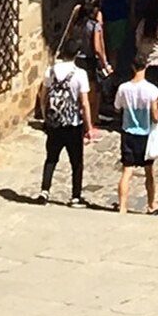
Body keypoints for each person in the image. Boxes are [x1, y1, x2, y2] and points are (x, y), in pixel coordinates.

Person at [33, 33, 95, 204]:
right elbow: (84, 103)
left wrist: (46, 117)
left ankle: (44, 191)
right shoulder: (80, 74)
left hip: (54, 123)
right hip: (73, 123)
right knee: (76, 162)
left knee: (51, 158)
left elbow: (43, 96)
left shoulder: (50, 71)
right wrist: (89, 127)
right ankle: (75, 196)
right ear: (77, 54)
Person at [113, 60, 158, 215]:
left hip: (128, 133)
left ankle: (122, 206)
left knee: (127, 171)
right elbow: (156, 118)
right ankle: (151, 204)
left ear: (132, 67)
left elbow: (117, 108)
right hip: (145, 135)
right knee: (149, 172)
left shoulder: (123, 88)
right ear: (146, 67)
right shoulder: (152, 90)